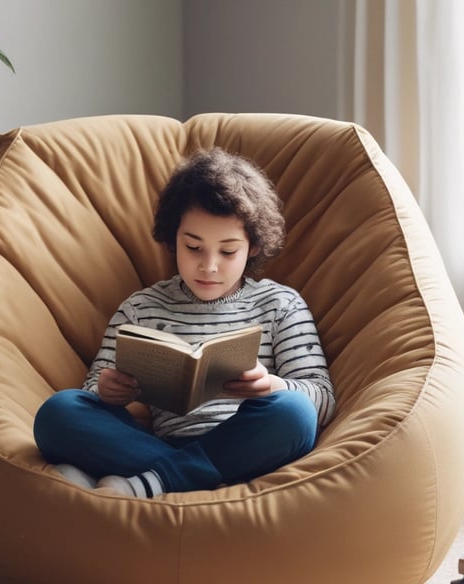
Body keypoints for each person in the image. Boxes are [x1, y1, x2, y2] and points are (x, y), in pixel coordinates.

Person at [33, 148, 336, 498]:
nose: (209, 266)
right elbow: (89, 395)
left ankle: (149, 482)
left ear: (253, 246)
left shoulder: (280, 305)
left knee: (295, 413)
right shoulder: (141, 307)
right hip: (163, 445)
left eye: (227, 251)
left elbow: (322, 400)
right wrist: (108, 391)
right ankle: (187, 477)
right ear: (172, 238)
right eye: (193, 247)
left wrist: (272, 387)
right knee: (59, 412)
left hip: (248, 441)